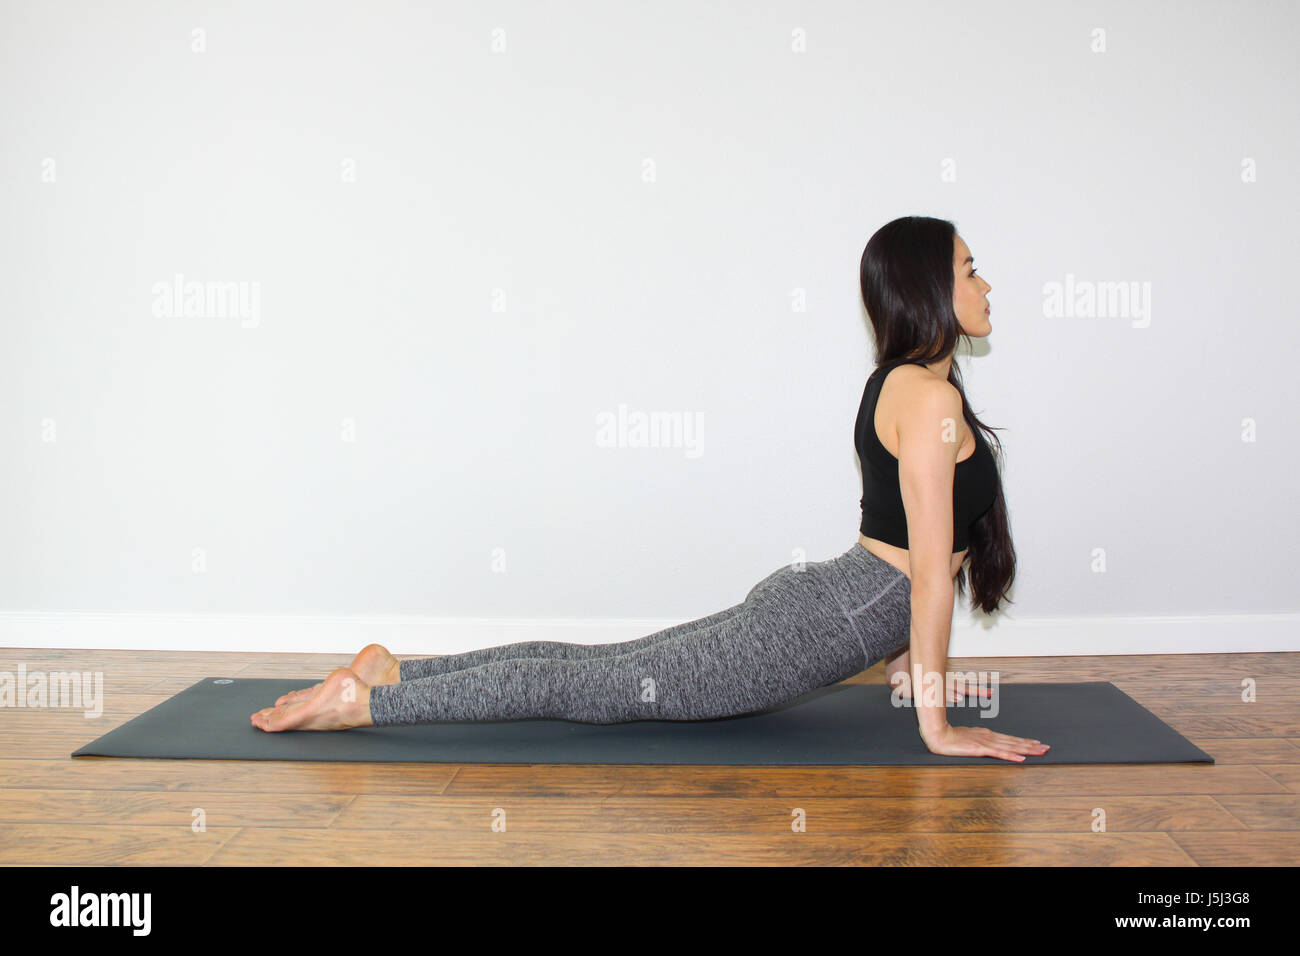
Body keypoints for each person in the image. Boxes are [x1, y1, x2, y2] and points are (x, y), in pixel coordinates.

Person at [251, 215, 1049, 763]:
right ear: (930, 290)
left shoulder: (908, 387)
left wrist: (909, 674)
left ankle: (395, 673)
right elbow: (925, 581)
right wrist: (938, 729)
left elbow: (913, 554)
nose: (986, 284)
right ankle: (366, 704)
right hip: (813, 626)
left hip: (823, 607)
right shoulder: (928, 397)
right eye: (970, 270)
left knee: (594, 668)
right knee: (593, 688)